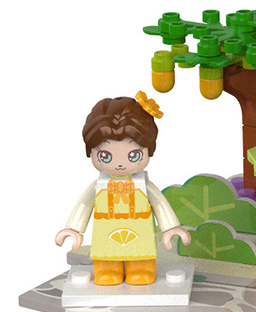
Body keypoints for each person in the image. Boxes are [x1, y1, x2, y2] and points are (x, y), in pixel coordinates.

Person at [55, 92, 191, 284]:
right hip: (106, 231)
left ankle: (142, 269)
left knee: (141, 254)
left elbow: (160, 204)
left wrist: (170, 227)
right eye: (105, 156)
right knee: (105, 255)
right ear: (90, 152)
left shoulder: (144, 185)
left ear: (150, 150)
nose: (120, 164)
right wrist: (74, 229)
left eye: (133, 155)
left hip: (139, 231)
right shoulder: (98, 186)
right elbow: (84, 205)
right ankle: (107, 270)